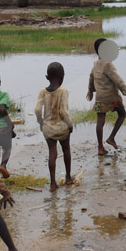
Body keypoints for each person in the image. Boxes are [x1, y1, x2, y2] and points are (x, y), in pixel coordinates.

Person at [86, 38, 126, 155]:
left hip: (100, 98)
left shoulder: (96, 63)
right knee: (122, 114)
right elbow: (118, 81)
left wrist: (90, 90)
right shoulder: (108, 64)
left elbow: (91, 77)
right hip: (111, 97)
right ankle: (111, 138)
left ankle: (100, 148)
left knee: (100, 121)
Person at [35, 62, 74, 192]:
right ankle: (68, 177)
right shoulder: (63, 91)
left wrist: (40, 122)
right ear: (62, 77)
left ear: (47, 77)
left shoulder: (42, 92)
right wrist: (70, 125)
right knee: (66, 150)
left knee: (52, 152)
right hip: (62, 128)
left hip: (48, 129)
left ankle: (52, 183)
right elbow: (63, 112)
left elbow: (37, 109)